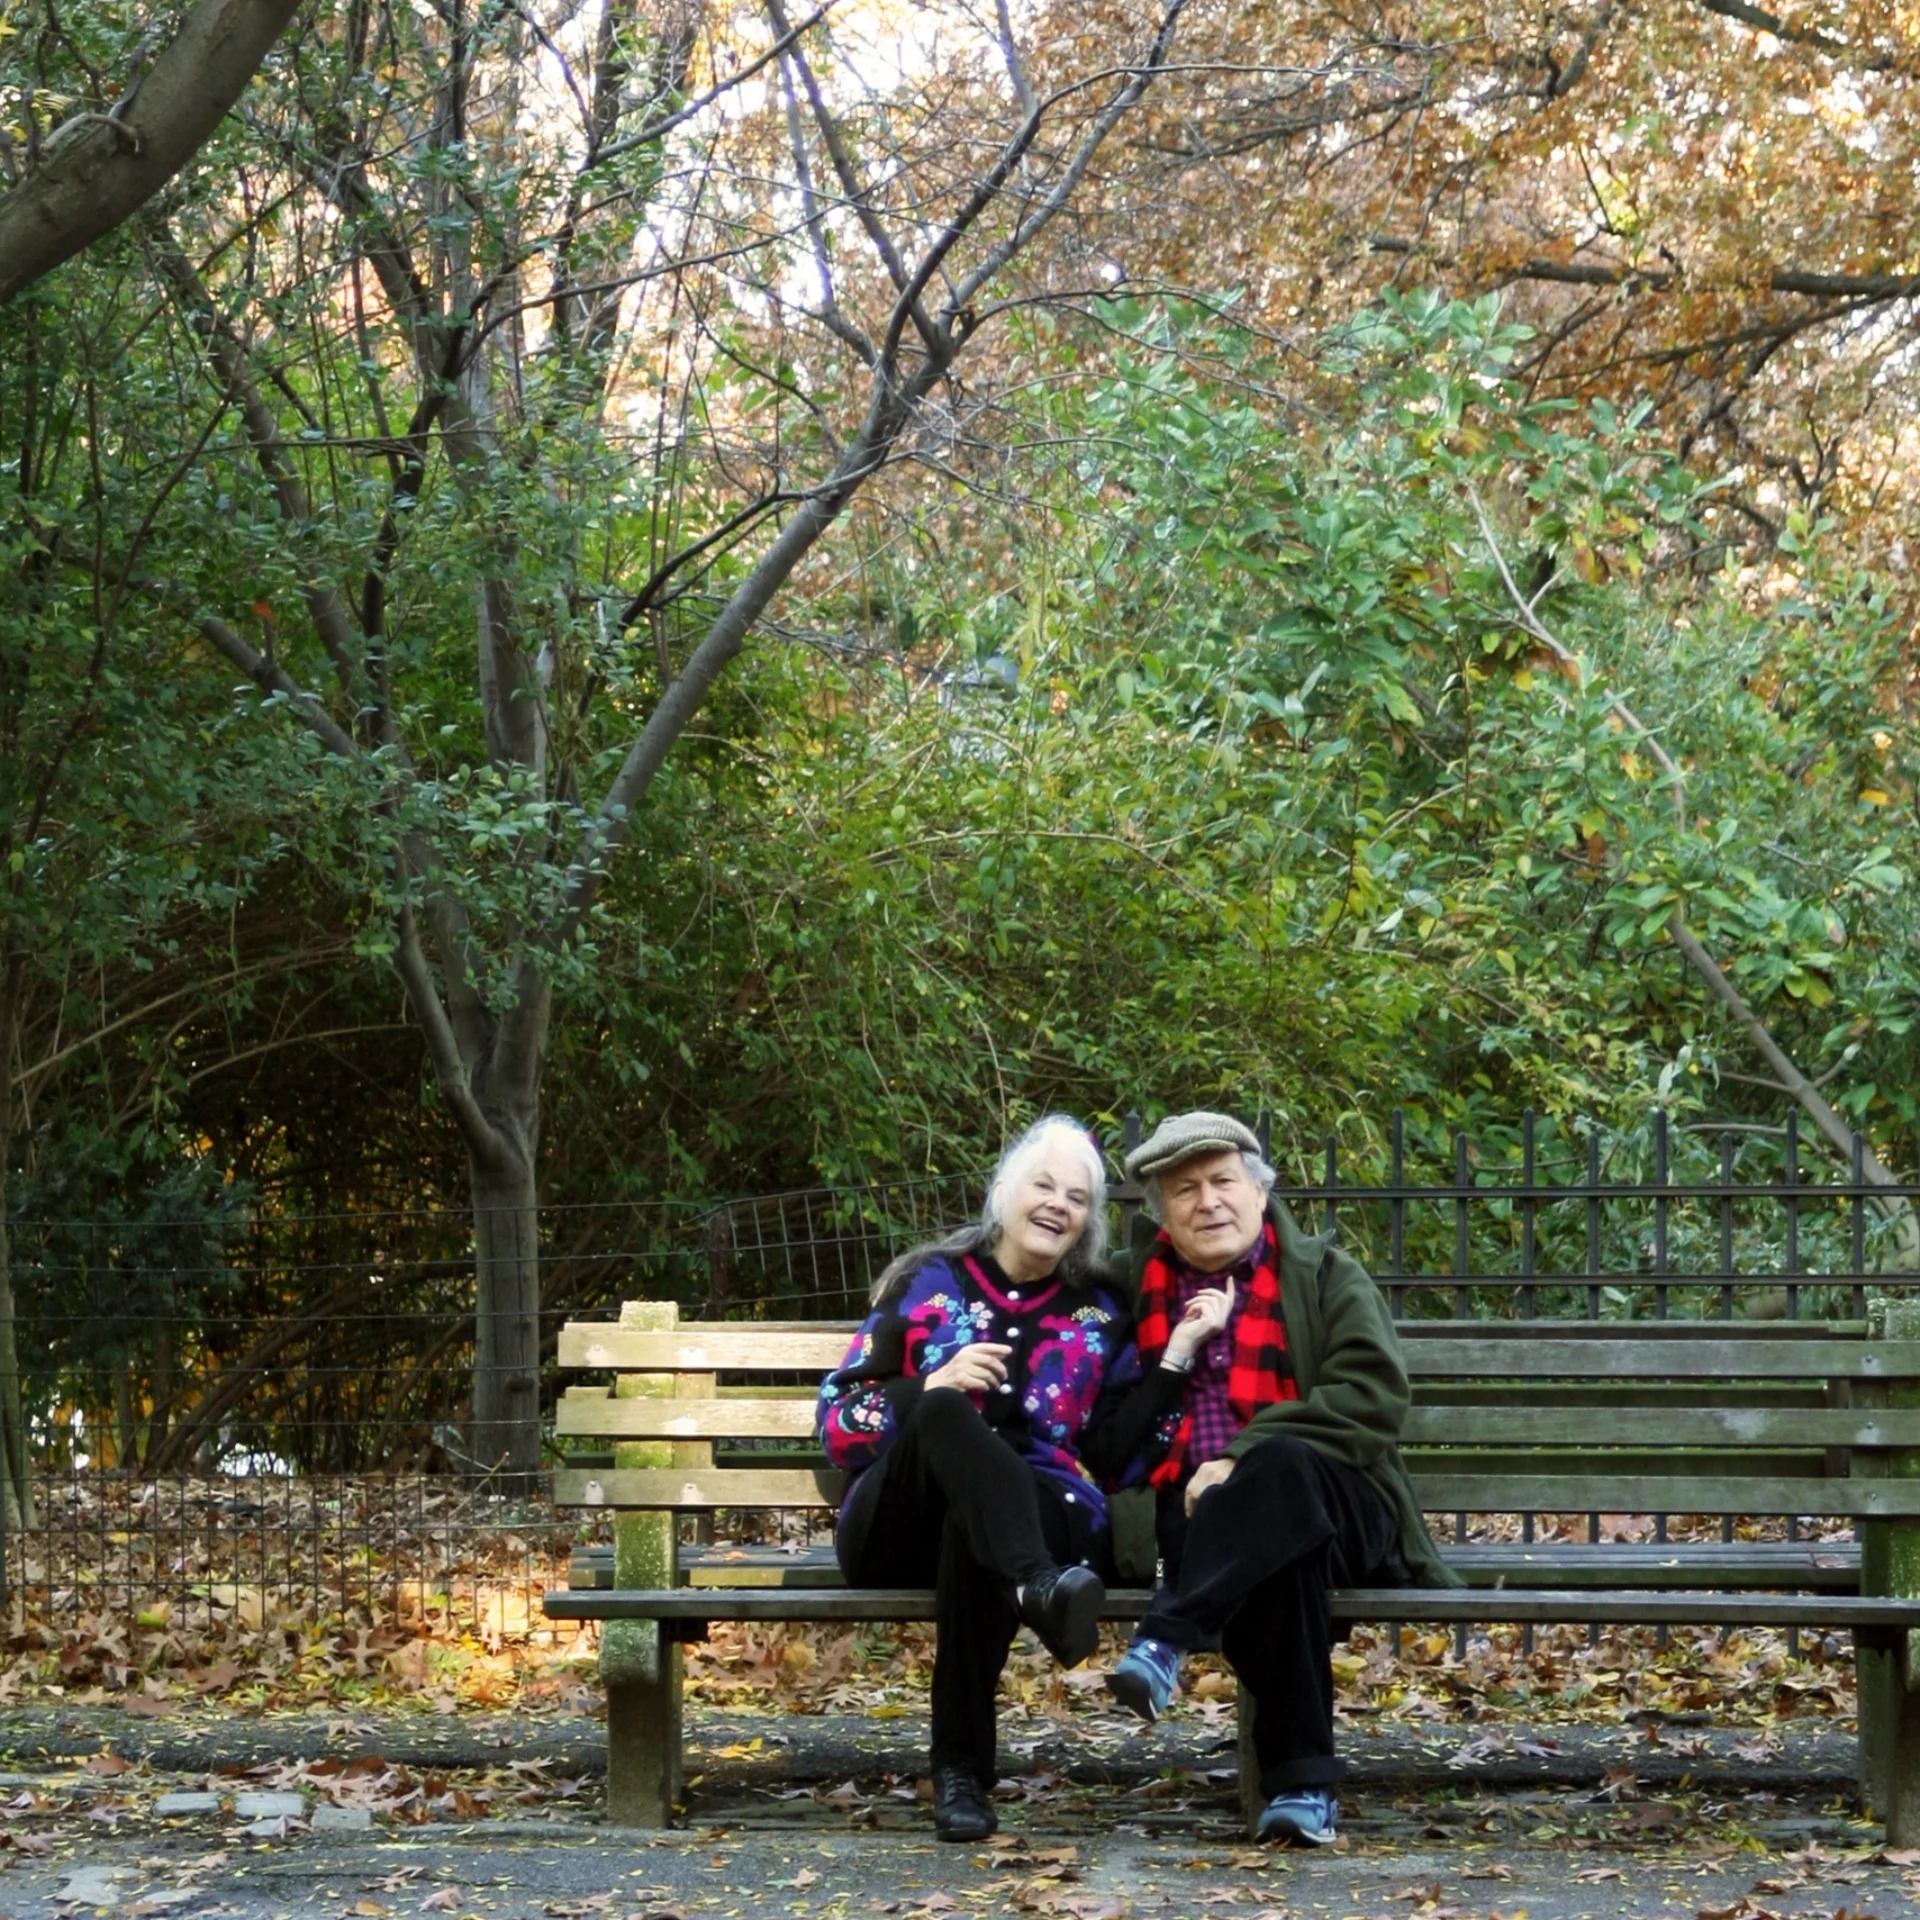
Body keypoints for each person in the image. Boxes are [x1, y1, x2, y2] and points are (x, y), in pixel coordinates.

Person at [1098, 1111, 1456, 1846]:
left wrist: (1242, 1454)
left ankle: (1166, 1634)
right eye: (1185, 1189)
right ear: (1162, 1214)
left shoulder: (1324, 1274)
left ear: (1260, 1193)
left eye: (1224, 1181)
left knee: (1281, 1473)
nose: (1208, 1202)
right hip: (1195, 1516)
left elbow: (1372, 1398)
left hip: (1344, 1500)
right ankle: (1302, 1789)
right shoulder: (1125, 1289)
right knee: (1273, 1546)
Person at [818, 1116, 1134, 1842]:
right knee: (946, 1416)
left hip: (1036, 1506)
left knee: (983, 1517)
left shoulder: (1104, 1311)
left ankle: (959, 1773)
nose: (1058, 1203)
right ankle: (1035, 1586)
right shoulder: (924, 1284)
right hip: (899, 1524)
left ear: (1088, 1220)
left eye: (1078, 1197)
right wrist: (928, 1386)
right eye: (1043, 1184)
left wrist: (1177, 1360)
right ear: (1001, 1191)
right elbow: (838, 1424)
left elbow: (1124, 1441)